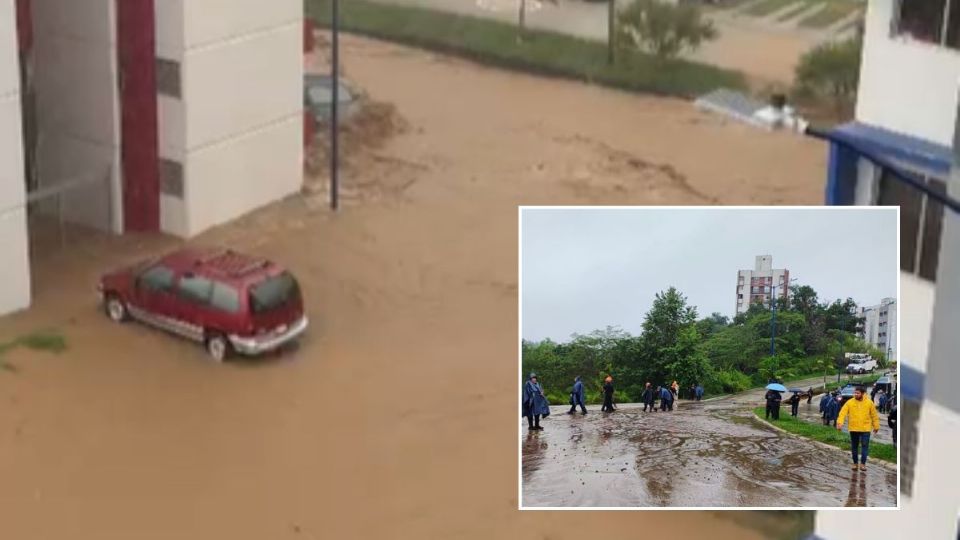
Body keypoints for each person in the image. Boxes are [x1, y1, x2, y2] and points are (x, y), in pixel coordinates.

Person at [837, 385, 880, 471]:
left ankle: (863, 464)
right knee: (854, 447)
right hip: (854, 428)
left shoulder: (869, 403)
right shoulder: (850, 402)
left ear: (863, 394)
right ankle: (855, 463)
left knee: (865, 446)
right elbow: (842, 412)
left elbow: (874, 415)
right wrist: (839, 422)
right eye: (855, 393)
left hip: (866, 429)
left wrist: (876, 426)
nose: (855, 394)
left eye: (857, 393)